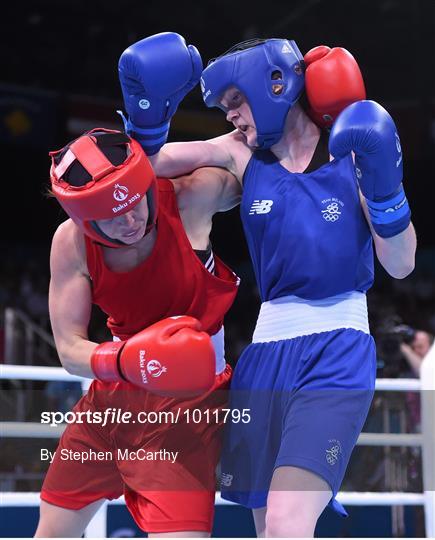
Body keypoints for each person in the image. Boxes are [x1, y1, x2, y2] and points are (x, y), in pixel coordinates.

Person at [117, 33, 417, 537]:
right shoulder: (239, 152)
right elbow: (143, 171)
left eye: (236, 101)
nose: (231, 115)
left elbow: (402, 264)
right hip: (264, 356)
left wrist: (387, 192)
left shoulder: (353, 147)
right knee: (267, 528)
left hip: (337, 351)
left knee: (286, 520)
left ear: (275, 85)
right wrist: (146, 120)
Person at [35, 128, 241, 537]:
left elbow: (243, 158)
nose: (131, 221)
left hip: (190, 407)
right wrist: (126, 362)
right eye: (112, 215)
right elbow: (68, 349)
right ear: (83, 217)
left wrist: (154, 154)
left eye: (134, 203)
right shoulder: (71, 244)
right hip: (113, 398)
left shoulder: (188, 198)